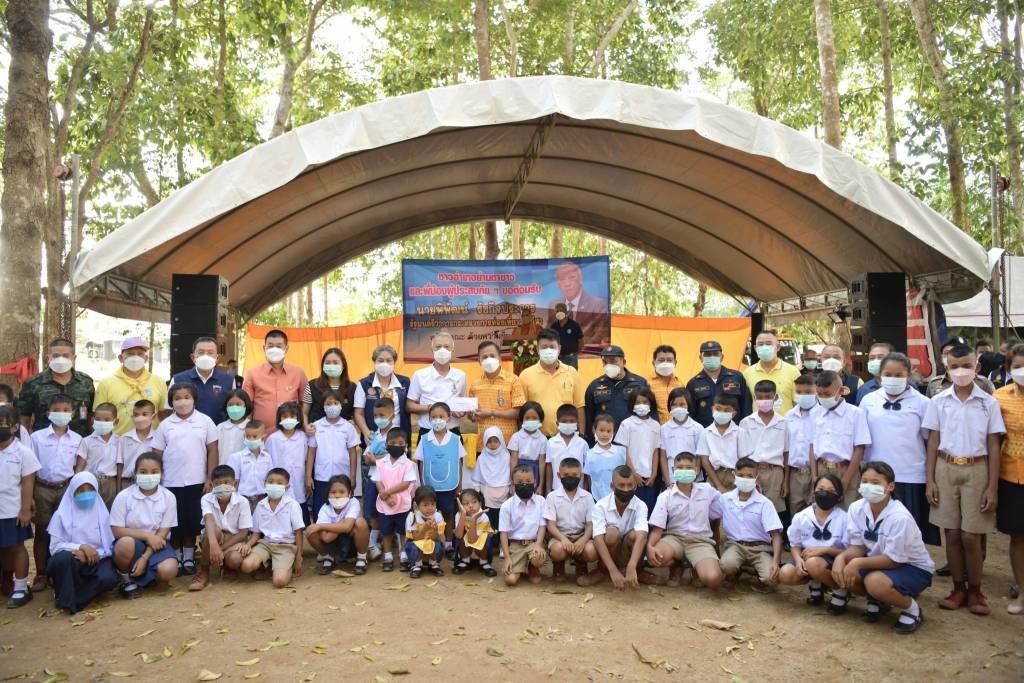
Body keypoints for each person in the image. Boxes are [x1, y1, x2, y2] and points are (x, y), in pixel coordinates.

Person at [923, 343, 1004, 615]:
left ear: (977, 367)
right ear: (946, 368)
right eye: (955, 367)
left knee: (971, 536)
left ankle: (976, 591)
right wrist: (930, 480)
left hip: (977, 469)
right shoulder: (938, 401)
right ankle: (958, 588)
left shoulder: (988, 403)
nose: (961, 371)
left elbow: (994, 445)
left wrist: (992, 487)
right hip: (945, 467)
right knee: (952, 533)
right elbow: (932, 441)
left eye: (967, 366)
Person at [831, 462, 935, 634]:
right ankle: (879, 600)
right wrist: (841, 558)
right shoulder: (856, 508)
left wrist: (857, 563)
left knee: (874, 582)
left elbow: (894, 561)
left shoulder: (900, 517)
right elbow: (858, 546)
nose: (868, 486)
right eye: (864, 481)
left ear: (890, 486)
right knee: (842, 571)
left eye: (875, 482)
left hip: (912, 568)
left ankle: (912, 609)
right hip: (878, 563)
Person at [861, 353, 939, 546]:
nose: (893, 379)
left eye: (899, 375)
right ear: (880, 376)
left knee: (908, 534)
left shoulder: (922, 403)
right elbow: (861, 439)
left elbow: (930, 442)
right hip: (876, 476)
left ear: (909, 376)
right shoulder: (868, 400)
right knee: (877, 531)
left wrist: (930, 478)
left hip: (910, 476)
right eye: (888, 374)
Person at [152, 382, 219, 574]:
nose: (182, 402)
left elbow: (213, 450)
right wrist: (157, 479)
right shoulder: (165, 425)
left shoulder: (205, 421)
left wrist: (210, 478)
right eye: (177, 398)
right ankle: (175, 556)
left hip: (197, 480)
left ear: (194, 399)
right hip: (170, 481)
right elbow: (157, 453)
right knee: (174, 520)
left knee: (191, 520)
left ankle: (189, 558)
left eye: (186, 397)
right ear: (171, 402)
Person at [28, 394, 83, 592]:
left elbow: (79, 465)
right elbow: (30, 468)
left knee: (64, 531)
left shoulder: (77, 439)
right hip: (42, 488)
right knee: (42, 532)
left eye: (66, 410)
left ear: (73, 413)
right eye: (57, 410)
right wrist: (30, 495)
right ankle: (41, 573)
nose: (62, 414)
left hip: (66, 489)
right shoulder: (37, 438)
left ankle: (58, 573)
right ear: (47, 413)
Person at [647, 452, 724, 590]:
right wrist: (650, 546)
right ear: (673, 470)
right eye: (680, 467)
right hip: (675, 539)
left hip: (700, 541)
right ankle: (677, 565)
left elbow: (724, 505)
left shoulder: (707, 490)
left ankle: (696, 566)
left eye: (689, 467)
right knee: (656, 557)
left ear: (697, 470)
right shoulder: (666, 496)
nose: (684, 471)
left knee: (714, 579)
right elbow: (657, 530)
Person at [45, 471, 119, 612]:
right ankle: (67, 599)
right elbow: (54, 547)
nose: (86, 494)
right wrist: (80, 547)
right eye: (81, 490)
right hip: (73, 559)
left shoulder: (102, 513)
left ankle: (74, 599)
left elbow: (109, 545)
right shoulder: (61, 515)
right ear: (72, 492)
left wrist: (93, 554)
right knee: (62, 560)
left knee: (109, 578)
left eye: (90, 489)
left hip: (97, 559)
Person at [109, 452, 180, 598]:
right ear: (135, 474)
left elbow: (162, 533)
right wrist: (147, 536)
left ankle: (149, 578)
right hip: (132, 542)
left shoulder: (169, 497)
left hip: (158, 543)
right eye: (143, 472)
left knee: (169, 570)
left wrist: (145, 557)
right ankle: (126, 580)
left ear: (162, 473)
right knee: (125, 544)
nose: (148, 476)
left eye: (154, 472)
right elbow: (117, 530)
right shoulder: (124, 496)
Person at [777, 473, 849, 605]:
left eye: (831, 491)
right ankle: (816, 583)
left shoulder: (845, 518)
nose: (825, 494)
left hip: (834, 560)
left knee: (813, 563)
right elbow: (795, 544)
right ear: (813, 493)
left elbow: (850, 551)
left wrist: (825, 550)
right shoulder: (801, 516)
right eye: (820, 489)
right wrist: (798, 560)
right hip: (808, 559)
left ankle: (840, 589)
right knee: (785, 573)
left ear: (840, 497)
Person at [577, 465, 650, 589]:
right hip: (610, 550)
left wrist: (632, 566)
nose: (626, 489)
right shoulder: (600, 506)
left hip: (629, 553)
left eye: (630, 485)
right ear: (612, 486)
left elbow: (642, 535)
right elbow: (598, 539)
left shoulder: (641, 505)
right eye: (621, 485)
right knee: (611, 534)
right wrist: (613, 570)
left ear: (635, 486)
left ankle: (637, 570)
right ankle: (603, 570)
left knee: (637, 535)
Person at [993, 343, 1024, 614]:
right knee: (1018, 537)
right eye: (1018, 367)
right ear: (1008, 368)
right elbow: (994, 440)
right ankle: (1023, 593)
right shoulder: (999, 397)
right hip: (1011, 477)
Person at [719, 458, 784, 587]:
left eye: (750, 476)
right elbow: (714, 519)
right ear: (734, 475)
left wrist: (776, 562)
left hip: (760, 549)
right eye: (741, 475)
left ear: (756, 477)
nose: (745, 479)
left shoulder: (765, 503)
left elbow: (776, 535)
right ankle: (735, 570)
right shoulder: (725, 499)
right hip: (736, 546)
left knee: (771, 579)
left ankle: (753, 570)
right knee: (726, 565)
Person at [810, 371, 871, 507]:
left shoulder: (855, 414)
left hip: (846, 470)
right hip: (821, 469)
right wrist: (814, 476)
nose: (823, 398)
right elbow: (812, 446)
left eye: (827, 394)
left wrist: (846, 480)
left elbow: (860, 449)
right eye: (819, 394)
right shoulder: (814, 413)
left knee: (847, 509)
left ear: (841, 391)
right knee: (822, 510)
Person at [188, 464, 252, 591]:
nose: (222, 486)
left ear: (234, 484)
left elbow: (243, 533)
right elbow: (209, 520)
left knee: (235, 560)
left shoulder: (242, 501)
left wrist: (220, 549)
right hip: (213, 536)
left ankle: (227, 566)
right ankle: (204, 571)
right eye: (217, 483)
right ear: (212, 485)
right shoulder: (206, 499)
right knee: (213, 531)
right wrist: (214, 545)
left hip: (234, 538)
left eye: (226, 482)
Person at [0, 404, 40, 608]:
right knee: (3, 549)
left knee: (17, 548)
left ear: (15, 427)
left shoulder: (23, 452)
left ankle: (21, 588)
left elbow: (27, 483)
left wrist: (25, 510)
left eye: (2, 425)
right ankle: (6, 582)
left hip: (12, 510)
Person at [239, 467, 305, 588]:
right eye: (270, 482)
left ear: (287, 487)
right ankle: (268, 566)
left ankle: (284, 566)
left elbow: (298, 532)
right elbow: (256, 533)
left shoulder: (292, 505)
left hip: (285, 546)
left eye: (279, 483)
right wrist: (248, 544)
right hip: (266, 544)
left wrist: (298, 557)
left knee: (279, 582)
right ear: (265, 484)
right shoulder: (261, 505)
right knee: (246, 566)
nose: (274, 485)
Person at [413, 402, 464, 557]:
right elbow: (421, 462)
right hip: (429, 485)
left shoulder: (455, 439)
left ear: (449, 418)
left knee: (448, 514)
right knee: (429, 514)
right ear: (429, 419)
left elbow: (459, 462)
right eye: (434, 417)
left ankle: (448, 544)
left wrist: (459, 485)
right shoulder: (424, 439)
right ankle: (431, 542)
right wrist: (421, 484)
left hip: (450, 484)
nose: (438, 420)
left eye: (441, 416)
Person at [17, 337, 94, 437]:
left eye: (65, 356)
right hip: (43, 442)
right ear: (48, 358)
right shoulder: (33, 383)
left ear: (74, 358)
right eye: (56, 356)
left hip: (79, 441)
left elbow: (91, 415)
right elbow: (24, 416)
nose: (61, 360)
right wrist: (24, 441)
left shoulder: (86, 382)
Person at [93, 337, 168, 435]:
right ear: (121, 358)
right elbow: (98, 416)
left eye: (140, 354)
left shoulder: (158, 382)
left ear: (146, 359)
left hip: (150, 440)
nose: (135, 357)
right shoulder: (106, 383)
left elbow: (164, 414)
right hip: (117, 440)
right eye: (130, 354)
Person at [518, 329, 586, 437]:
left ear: (559, 348)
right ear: (537, 349)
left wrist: (582, 434)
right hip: (536, 439)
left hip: (566, 438)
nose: (548, 350)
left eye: (552, 347)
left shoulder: (572, 372)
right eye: (544, 347)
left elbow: (580, 406)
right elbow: (521, 410)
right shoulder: (525, 375)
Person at [305, 390, 360, 521]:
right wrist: (308, 476)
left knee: (342, 510)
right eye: (328, 404)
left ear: (341, 405)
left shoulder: (348, 427)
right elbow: (311, 452)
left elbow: (353, 452)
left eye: (336, 403)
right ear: (323, 406)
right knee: (320, 510)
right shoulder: (316, 426)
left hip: (343, 477)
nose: (332, 406)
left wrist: (352, 476)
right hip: (321, 477)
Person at [469, 340, 526, 464]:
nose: (489, 359)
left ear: (500, 358)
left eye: (492, 356)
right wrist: (472, 415)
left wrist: (491, 412)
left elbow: (519, 412)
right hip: (483, 444)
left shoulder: (513, 380)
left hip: (508, 443)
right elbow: (472, 414)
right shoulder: (475, 384)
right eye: (484, 357)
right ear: (479, 361)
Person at [242, 329, 309, 433]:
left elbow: (305, 403)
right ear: (264, 348)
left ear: (286, 349)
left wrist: (303, 427)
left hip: (292, 436)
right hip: (261, 436)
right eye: (270, 346)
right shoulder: (252, 374)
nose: (274, 349)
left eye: (279, 346)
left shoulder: (299, 373)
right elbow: (247, 407)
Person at [407, 331, 468, 439]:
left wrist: (461, 412)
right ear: (432, 350)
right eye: (438, 347)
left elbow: (463, 405)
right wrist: (430, 408)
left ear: (452, 350)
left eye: (446, 347)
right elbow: (409, 405)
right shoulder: (419, 375)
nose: (442, 350)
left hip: (453, 433)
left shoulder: (461, 376)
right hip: (427, 432)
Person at [305, 474, 369, 575]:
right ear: (328, 494)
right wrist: (342, 523)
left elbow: (347, 527)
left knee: (360, 523)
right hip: (332, 544)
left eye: (342, 492)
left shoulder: (353, 502)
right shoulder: (325, 508)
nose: (337, 495)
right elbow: (326, 538)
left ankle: (362, 558)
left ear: (350, 493)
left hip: (352, 544)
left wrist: (321, 526)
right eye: (333, 492)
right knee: (310, 531)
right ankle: (328, 557)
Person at [544, 457, 596, 581]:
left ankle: (581, 562)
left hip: (581, 535)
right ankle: (559, 565)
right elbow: (550, 525)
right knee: (557, 550)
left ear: (581, 476)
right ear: (558, 475)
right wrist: (563, 539)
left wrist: (583, 540)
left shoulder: (588, 497)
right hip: (559, 536)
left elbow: (590, 524)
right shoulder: (552, 497)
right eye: (566, 475)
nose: (570, 478)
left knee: (591, 551)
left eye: (574, 475)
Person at [373, 429, 418, 572]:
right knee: (386, 531)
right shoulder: (380, 463)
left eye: (400, 443)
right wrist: (385, 496)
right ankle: (388, 556)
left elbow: (406, 484)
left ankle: (403, 554)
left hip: (402, 504)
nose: (396, 446)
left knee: (403, 531)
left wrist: (387, 493)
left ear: (406, 445)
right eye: (392, 443)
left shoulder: (408, 464)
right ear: (386, 444)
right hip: (384, 503)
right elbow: (378, 481)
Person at [741, 380, 788, 517]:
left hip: (775, 473)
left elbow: (786, 453)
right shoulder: (746, 422)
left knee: (774, 512)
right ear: (754, 398)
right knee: (752, 510)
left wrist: (785, 481)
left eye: (768, 397)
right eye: (759, 397)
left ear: (775, 397)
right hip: (752, 471)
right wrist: (748, 475)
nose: (764, 401)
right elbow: (742, 454)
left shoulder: (784, 423)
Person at [584, 345, 649, 440]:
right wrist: (591, 442)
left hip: (633, 440)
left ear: (624, 362)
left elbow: (651, 413)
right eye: (605, 362)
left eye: (613, 361)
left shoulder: (640, 383)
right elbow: (589, 418)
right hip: (605, 442)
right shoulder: (594, 386)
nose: (608, 365)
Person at [362, 394, 398, 559]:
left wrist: (375, 460)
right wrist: (373, 459)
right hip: (374, 478)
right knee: (373, 511)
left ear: (392, 415)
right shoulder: (374, 435)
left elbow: (395, 456)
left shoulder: (396, 435)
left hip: (391, 480)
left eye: (382, 415)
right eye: (376, 415)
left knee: (391, 509)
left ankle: (393, 545)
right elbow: (366, 457)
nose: (378, 419)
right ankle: (372, 543)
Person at [499, 464, 547, 586]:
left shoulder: (541, 501)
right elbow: (503, 533)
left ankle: (532, 566)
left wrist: (539, 545)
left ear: (534, 482)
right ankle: (520, 566)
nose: (524, 484)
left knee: (538, 558)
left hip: (533, 543)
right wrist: (507, 558)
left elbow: (542, 526)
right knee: (510, 580)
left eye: (528, 481)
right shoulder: (506, 506)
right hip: (516, 546)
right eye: (520, 482)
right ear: (513, 483)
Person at [614, 388, 661, 511]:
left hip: (649, 478)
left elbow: (655, 450)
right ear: (632, 404)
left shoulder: (656, 425)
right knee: (631, 509)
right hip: (631, 477)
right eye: (638, 402)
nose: (641, 405)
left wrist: (654, 473)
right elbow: (623, 450)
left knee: (647, 509)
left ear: (651, 404)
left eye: (645, 402)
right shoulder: (627, 424)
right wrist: (633, 473)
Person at [169, 336, 235, 425]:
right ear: (193, 357)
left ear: (217, 358)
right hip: (187, 432)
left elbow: (233, 410)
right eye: (201, 352)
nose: (205, 356)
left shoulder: (229, 381)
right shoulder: (178, 379)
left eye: (210, 353)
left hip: (219, 431)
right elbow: (168, 411)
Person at [353, 344, 411, 444]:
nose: (385, 364)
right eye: (380, 360)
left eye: (388, 360)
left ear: (394, 362)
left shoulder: (404, 382)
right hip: (373, 440)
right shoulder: (364, 384)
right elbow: (358, 413)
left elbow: (409, 405)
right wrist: (366, 432)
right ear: (374, 361)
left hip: (399, 440)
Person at [686, 340, 751, 427]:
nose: (712, 357)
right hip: (705, 432)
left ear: (722, 357)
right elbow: (690, 415)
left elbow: (746, 407)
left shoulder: (737, 377)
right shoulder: (693, 383)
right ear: (700, 358)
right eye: (707, 355)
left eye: (715, 354)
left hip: (734, 431)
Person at [545, 260, 610, 346]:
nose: (567, 283)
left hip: (585, 353)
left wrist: (572, 348)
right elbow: (548, 335)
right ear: (558, 284)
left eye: (572, 277)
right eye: (562, 279)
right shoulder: (554, 305)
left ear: (581, 279)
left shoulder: (598, 305)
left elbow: (600, 336)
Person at [264, 402, 309, 522]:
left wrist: (307, 478)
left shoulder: (303, 437)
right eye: (284, 416)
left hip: (298, 481)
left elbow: (306, 460)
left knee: (301, 516)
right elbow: (267, 463)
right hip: (278, 485)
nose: (288, 419)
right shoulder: (273, 439)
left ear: (298, 418)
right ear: (279, 419)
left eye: (292, 416)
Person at [784, 375, 821, 516]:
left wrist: (816, 477)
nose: (803, 395)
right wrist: (786, 480)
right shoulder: (789, 416)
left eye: (808, 392)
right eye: (799, 392)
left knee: (817, 513)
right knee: (796, 515)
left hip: (816, 473)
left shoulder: (822, 415)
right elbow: (786, 449)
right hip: (795, 474)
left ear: (816, 391)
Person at [74, 402, 122, 507]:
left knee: (108, 511)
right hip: (90, 481)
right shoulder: (86, 441)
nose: (102, 422)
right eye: (98, 419)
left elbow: (119, 467)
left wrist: (119, 490)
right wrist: (77, 485)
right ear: (93, 420)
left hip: (110, 483)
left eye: (107, 420)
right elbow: (79, 467)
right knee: (90, 509)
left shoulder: (119, 441)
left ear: (116, 421)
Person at [696, 394, 747, 491]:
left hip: (735, 476)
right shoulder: (705, 432)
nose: (722, 412)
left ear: (733, 414)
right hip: (713, 476)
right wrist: (719, 485)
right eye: (718, 409)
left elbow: (743, 459)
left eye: (727, 410)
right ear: (712, 409)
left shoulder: (740, 432)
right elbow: (705, 461)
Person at [743, 331, 801, 414]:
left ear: (778, 347)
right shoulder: (747, 374)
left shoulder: (793, 372)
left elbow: (798, 404)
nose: (764, 347)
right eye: (761, 344)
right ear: (755, 348)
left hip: (785, 422)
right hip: (757, 422)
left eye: (768, 344)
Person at [659, 388, 702, 489]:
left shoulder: (697, 428)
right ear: (669, 407)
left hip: (693, 479)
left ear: (688, 405)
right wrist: (668, 483)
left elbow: (700, 456)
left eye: (682, 404)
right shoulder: (664, 429)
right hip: (672, 479)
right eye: (674, 405)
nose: (678, 408)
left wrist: (694, 477)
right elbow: (663, 457)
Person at [302, 347, 356, 427]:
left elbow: (357, 414)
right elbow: (304, 412)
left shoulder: (353, 388)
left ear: (343, 366)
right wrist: (306, 427)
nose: (331, 366)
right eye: (327, 363)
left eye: (335, 363)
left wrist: (354, 422)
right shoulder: (312, 385)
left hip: (343, 433)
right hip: (317, 432)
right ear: (323, 366)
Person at [226, 420, 273, 511]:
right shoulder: (236, 457)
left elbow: (269, 479)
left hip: (262, 499)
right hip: (243, 499)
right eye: (248, 436)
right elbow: (234, 482)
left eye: (255, 436)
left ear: (263, 437)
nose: (251, 439)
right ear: (244, 436)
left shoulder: (267, 457)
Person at [927, 336, 995, 397]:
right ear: (941, 357)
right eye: (947, 353)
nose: (951, 356)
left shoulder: (983, 383)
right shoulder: (934, 384)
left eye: (955, 353)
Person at [546, 404, 589, 494]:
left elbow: (586, 469)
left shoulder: (583, 444)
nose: (568, 424)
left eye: (572, 421)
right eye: (564, 421)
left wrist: (585, 489)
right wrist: (548, 490)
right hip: (557, 489)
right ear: (557, 423)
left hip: (578, 490)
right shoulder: (551, 443)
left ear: (577, 423)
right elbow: (549, 467)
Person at [405, 485, 446, 578]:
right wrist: (425, 528)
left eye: (432, 504)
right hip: (416, 541)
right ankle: (416, 565)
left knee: (437, 545)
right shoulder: (412, 516)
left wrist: (435, 530)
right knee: (414, 546)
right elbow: (416, 538)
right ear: (417, 505)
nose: (430, 508)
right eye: (425, 505)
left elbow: (436, 538)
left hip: (431, 541)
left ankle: (433, 564)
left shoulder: (438, 516)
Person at [453, 489, 496, 576]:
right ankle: (465, 560)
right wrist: (463, 514)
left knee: (486, 538)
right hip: (467, 548)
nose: (471, 506)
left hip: (479, 549)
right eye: (466, 503)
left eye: (474, 502)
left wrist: (473, 519)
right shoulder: (459, 515)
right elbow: (458, 535)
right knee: (461, 536)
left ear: (480, 503)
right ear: (461, 506)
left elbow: (473, 540)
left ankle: (483, 562)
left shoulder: (483, 517)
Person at [584, 414, 626, 500]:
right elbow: (589, 478)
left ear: (614, 432)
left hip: (619, 498)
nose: (605, 434)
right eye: (601, 430)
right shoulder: (589, 454)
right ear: (594, 430)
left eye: (608, 431)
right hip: (597, 498)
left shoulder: (622, 451)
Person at [473, 426, 512, 516]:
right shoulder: (482, 458)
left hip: (504, 492)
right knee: (488, 517)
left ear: (500, 441)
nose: (492, 444)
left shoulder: (506, 457)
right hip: (486, 493)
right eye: (489, 441)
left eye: (495, 441)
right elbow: (477, 476)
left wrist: (510, 489)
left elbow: (509, 475)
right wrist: (477, 490)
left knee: (501, 517)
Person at [507, 402, 548, 484]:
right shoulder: (516, 437)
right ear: (522, 419)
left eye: (534, 418)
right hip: (518, 470)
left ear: (540, 419)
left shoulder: (543, 439)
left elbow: (542, 463)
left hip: (534, 471)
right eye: (527, 418)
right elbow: (513, 460)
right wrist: (512, 482)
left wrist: (541, 484)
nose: (531, 421)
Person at [120, 400, 156, 487]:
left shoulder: (158, 438)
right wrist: (119, 487)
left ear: (153, 416)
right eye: (136, 415)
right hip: (128, 482)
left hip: (151, 483)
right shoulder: (125, 438)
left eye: (144, 414)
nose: (140, 418)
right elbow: (120, 464)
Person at [217, 389, 252, 466]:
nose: (234, 408)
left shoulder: (251, 427)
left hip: (243, 470)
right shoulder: (220, 428)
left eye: (238, 404)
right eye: (230, 405)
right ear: (226, 407)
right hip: (223, 469)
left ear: (246, 406)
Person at [648, 345, 683, 423]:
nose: (665, 363)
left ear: (675, 363)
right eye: (661, 360)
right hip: (655, 427)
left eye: (669, 360)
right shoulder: (646, 383)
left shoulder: (680, 384)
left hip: (676, 426)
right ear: (653, 363)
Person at [548, 302, 583, 368]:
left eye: (561, 310)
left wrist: (575, 353)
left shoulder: (574, 325)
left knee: (571, 374)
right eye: (557, 311)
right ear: (555, 312)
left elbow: (580, 340)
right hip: (557, 358)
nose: (559, 312)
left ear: (566, 312)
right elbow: (551, 341)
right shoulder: (553, 326)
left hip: (571, 358)